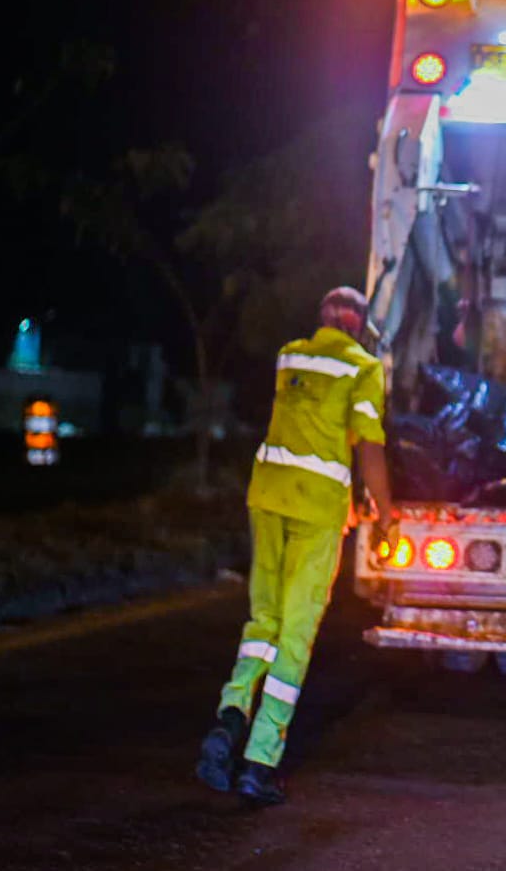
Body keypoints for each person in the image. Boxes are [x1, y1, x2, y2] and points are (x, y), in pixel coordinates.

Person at [195, 286, 394, 806]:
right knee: (296, 636)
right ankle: (260, 763)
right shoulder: (364, 368)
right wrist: (386, 513)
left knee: (263, 622)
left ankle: (230, 718)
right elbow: (369, 446)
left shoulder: (290, 356)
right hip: (316, 511)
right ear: (360, 325)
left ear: (323, 318)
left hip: (267, 497)